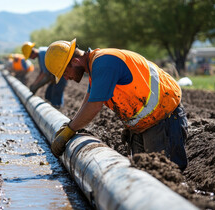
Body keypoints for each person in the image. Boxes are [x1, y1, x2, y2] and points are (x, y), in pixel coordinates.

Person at [45, 39, 188, 171]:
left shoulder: (104, 63)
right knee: (144, 174)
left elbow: (94, 106)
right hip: (145, 124)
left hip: (163, 118)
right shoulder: (95, 66)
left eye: (64, 72)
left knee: (164, 174)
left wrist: (70, 130)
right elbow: (89, 99)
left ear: (75, 61)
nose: (66, 78)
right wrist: (71, 125)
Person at [22, 41, 68, 109]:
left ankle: (57, 109)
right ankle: (55, 107)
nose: (31, 58)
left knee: (56, 94)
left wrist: (35, 85)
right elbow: (42, 72)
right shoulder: (41, 54)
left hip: (62, 73)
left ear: (33, 52)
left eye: (30, 56)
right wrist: (34, 84)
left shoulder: (43, 53)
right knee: (48, 95)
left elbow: (44, 73)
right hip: (55, 75)